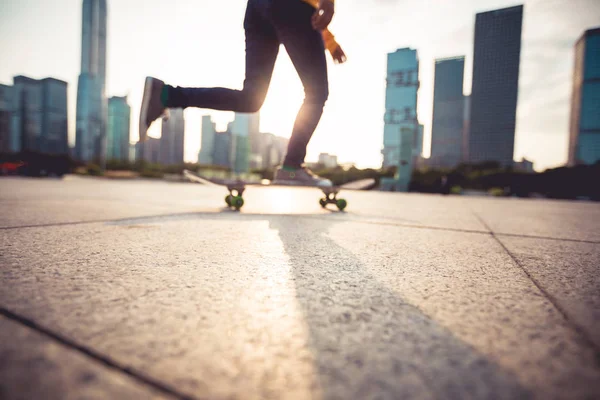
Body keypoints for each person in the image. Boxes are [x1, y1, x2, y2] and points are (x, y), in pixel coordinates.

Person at [139, 0, 346, 187]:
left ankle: (166, 95)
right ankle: (292, 168)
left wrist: (330, 42)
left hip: (258, 8)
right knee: (316, 93)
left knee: (251, 99)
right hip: (292, 6)